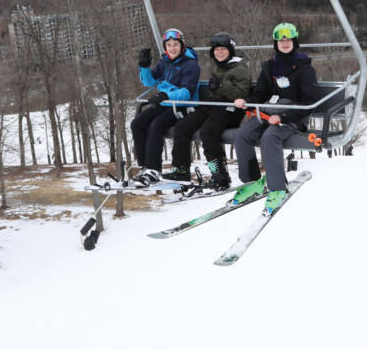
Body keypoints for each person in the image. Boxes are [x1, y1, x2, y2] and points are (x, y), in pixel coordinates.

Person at [232, 22, 318, 212]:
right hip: (269, 113)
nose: (284, 43)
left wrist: (284, 117)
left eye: (288, 40)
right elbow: (260, 94)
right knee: (242, 134)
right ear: (275, 43)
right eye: (280, 40)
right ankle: (252, 182)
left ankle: (278, 188)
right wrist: (247, 101)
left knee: (270, 136)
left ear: (295, 42)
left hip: (294, 117)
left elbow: (309, 102)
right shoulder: (270, 67)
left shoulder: (305, 69)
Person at [167, 32, 251, 187]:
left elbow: (241, 94)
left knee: (208, 131)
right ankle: (181, 169)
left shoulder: (240, 68)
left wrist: (221, 85)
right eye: (216, 49)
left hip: (231, 110)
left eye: (223, 49)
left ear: (230, 50)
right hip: (214, 106)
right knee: (183, 126)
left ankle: (220, 176)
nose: (219, 52)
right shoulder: (221, 66)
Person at [130, 28, 200, 185]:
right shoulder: (165, 62)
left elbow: (187, 92)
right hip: (166, 104)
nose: (172, 48)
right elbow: (149, 82)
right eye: (169, 45)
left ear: (182, 46)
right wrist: (144, 66)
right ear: (165, 47)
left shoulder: (190, 65)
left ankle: (154, 170)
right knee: (137, 123)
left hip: (182, 107)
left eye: (175, 44)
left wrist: (167, 95)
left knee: (156, 125)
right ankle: (145, 166)